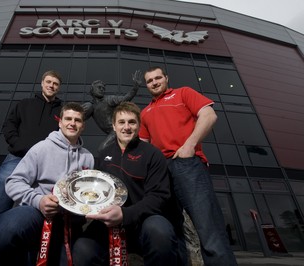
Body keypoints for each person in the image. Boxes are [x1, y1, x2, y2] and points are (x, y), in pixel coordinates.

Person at [139, 66, 237, 265]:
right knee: (172, 230)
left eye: (158, 78)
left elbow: (209, 115)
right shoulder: (145, 111)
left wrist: (189, 146)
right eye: (150, 81)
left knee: (208, 227)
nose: (155, 82)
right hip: (161, 172)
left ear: (166, 78)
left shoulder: (183, 93)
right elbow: (143, 146)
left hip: (186, 163)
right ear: (146, 85)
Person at [0, 70, 63, 266]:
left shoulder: (61, 112)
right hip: (16, 160)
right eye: (48, 82)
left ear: (58, 87)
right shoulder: (24, 104)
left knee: (31, 223)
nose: (51, 85)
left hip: (43, 167)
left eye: (55, 83)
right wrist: (20, 146)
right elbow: (9, 126)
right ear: (42, 83)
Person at [72, 102, 180, 265]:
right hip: (108, 221)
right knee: (82, 248)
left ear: (138, 126)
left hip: (143, 221)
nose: (126, 127)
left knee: (160, 233)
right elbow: (96, 192)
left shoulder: (153, 154)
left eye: (132, 122)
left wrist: (125, 215)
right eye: (121, 122)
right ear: (114, 126)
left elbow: (159, 196)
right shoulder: (104, 154)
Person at [0, 102, 94, 266]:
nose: (72, 123)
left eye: (77, 120)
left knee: (81, 256)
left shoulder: (88, 157)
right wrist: (39, 200)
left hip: (69, 222)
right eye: (68, 118)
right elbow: (14, 181)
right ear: (60, 122)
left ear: (83, 126)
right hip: (37, 213)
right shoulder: (41, 148)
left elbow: (88, 194)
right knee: (7, 228)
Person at [82, 70, 142, 152]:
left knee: (103, 148)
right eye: (99, 87)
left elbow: (125, 99)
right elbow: (78, 116)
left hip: (117, 130)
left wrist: (135, 88)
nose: (102, 89)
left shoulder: (108, 99)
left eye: (103, 88)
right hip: (112, 133)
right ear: (92, 89)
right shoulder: (90, 106)